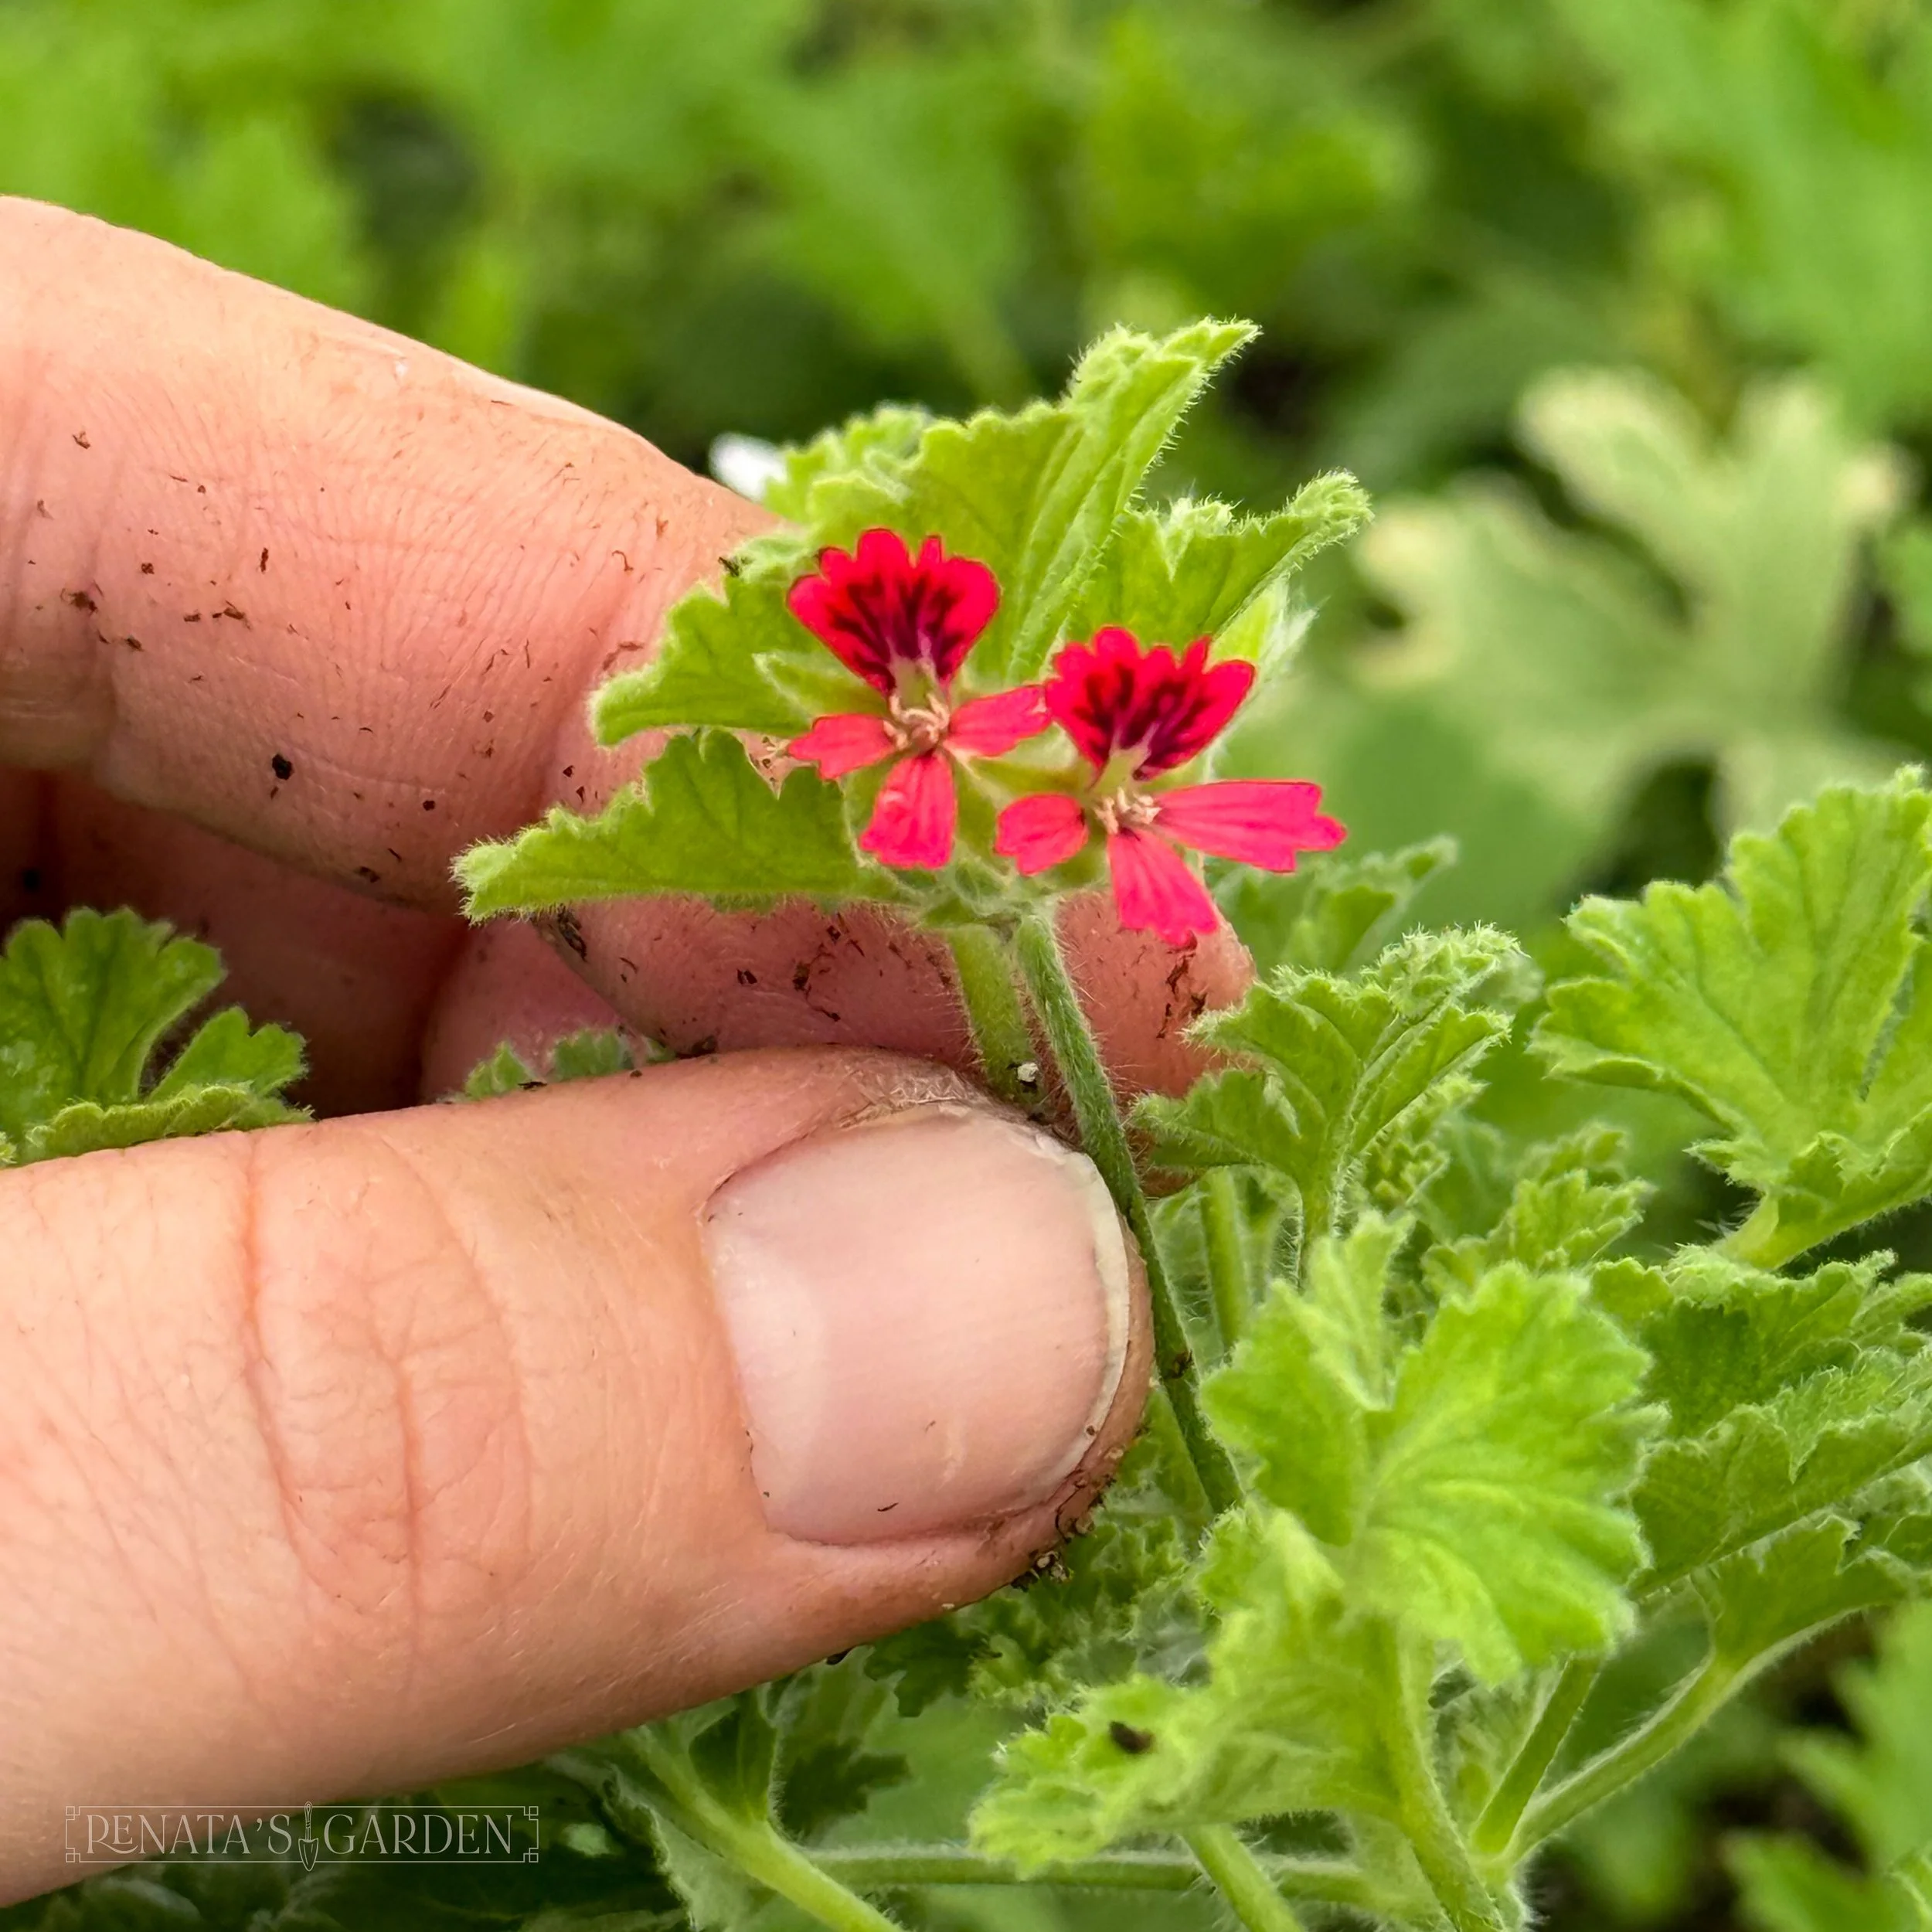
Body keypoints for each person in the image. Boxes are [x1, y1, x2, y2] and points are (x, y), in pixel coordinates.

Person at [0, 198, 1253, 1903]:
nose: (915, 725)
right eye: (900, 709)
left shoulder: (1013, 762)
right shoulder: (934, 757)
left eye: (927, 709)